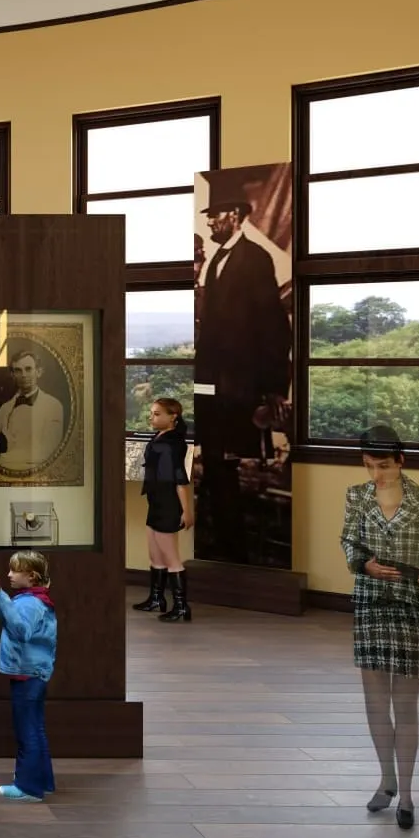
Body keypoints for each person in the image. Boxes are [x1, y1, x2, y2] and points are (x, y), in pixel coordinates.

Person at [340, 426, 419, 831]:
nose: (377, 475)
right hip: (371, 604)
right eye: (369, 466)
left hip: (411, 607)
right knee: (375, 702)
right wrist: (363, 564)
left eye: (384, 466)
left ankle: (406, 794)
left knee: (405, 704)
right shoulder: (356, 496)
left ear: (401, 461)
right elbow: (349, 542)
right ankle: (385, 780)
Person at [194, 169, 292, 564]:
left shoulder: (254, 259)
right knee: (216, 466)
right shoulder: (217, 260)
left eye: (215, 216)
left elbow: (274, 326)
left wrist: (274, 387)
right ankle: (222, 546)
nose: (210, 223)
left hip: (239, 388)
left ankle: (234, 551)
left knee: (229, 467)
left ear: (235, 215)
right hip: (212, 386)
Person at [0, 550, 57, 803]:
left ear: (32, 576)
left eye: (14, 571)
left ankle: (28, 787)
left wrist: (1, 595)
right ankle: (43, 781)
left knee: (26, 732)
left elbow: (20, 630)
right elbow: (9, 618)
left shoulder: (29, 604)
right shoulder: (35, 600)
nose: (9, 575)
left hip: (26, 676)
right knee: (36, 727)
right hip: (35, 674)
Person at [134, 398, 195, 620]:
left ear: (173, 417)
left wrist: (186, 510)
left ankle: (181, 606)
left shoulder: (173, 443)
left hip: (168, 502)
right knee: (155, 555)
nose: (152, 417)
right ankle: (156, 598)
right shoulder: (159, 436)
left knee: (171, 558)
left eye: (157, 413)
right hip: (156, 500)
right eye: (151, 413)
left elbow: (179, 479)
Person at [0, 351, 66, 471]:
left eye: (28, 369)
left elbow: (48, 451)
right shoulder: (7, 406)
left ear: (38, 372)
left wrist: (1, 457)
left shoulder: (53, 405)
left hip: (37, 471)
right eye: (18, 370)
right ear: (12, 375)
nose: (23, 375)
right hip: (5, 468)